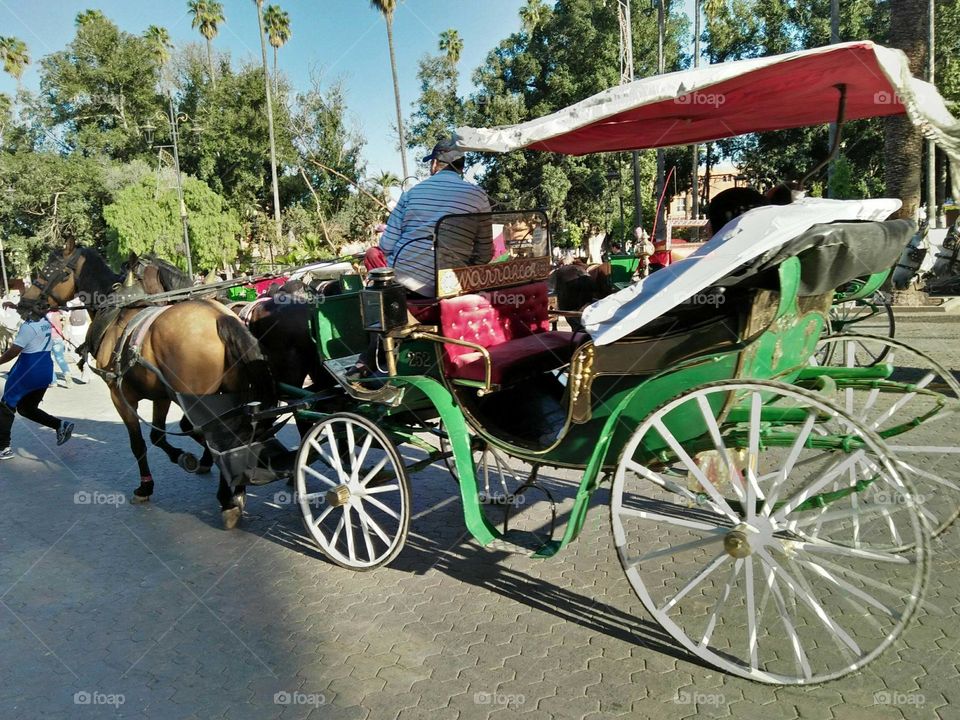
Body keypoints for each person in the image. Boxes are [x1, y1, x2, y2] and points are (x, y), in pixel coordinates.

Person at [378, 138, 493, 297]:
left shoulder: (411, 194)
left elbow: (386, 245)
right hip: (452, 288)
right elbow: (484, 254)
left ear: (434, 164)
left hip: (405, 286)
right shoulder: (478, 196)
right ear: (461, 168)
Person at [0, 305, 75, 459]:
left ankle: (3, 447)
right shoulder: (44, 321)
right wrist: (15, 306)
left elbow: (13, 351)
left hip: (27, 371)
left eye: (22, 309)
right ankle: (60, 425)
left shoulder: (28, 327)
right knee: (26, 408)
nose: (20, 312)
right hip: (45, 370)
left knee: (6, 407)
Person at [46, 310, 71, 388]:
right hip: (58, 337)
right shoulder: (57, 312)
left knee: (48, 360)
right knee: (60, 358)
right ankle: (67, 374)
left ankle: (53, 381)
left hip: (47, 339)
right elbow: (66, 314)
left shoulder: (43, 314)